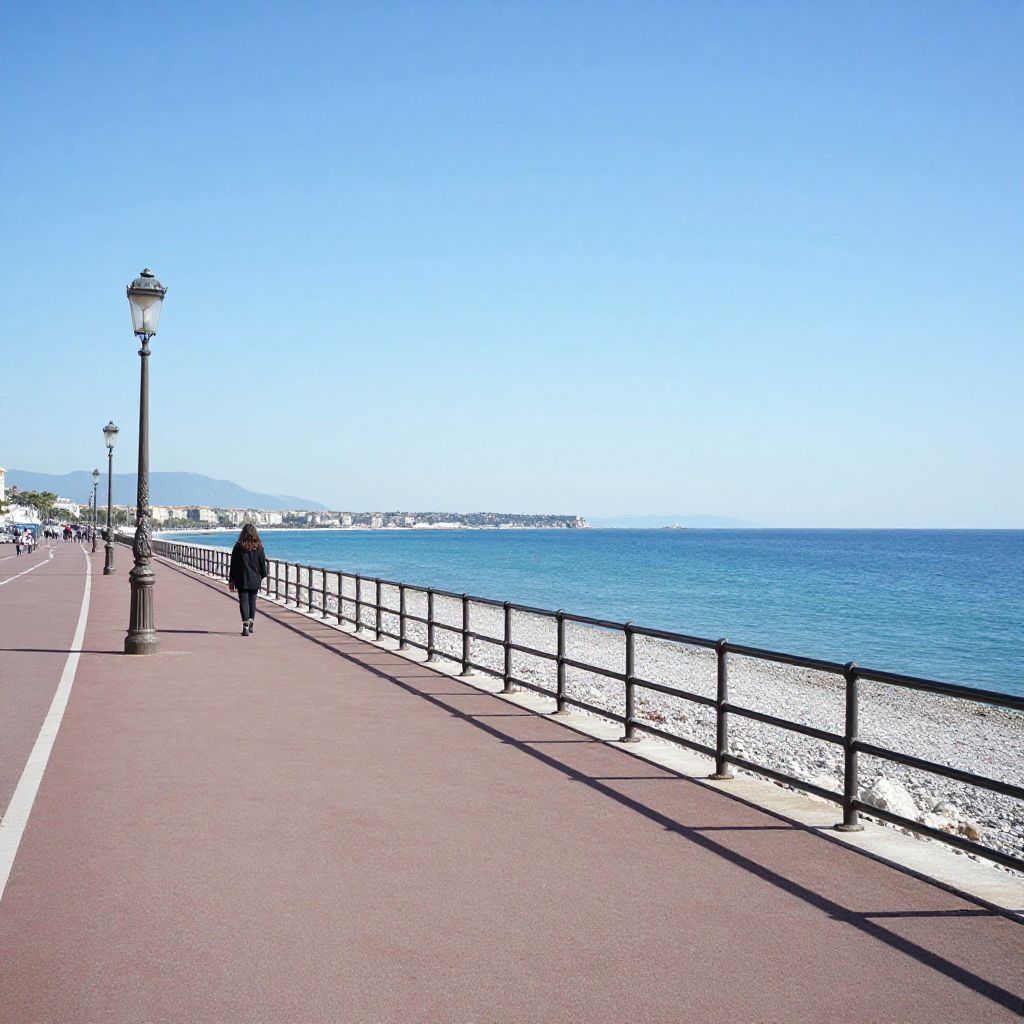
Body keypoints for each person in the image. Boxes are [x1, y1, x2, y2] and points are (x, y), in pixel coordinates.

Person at [228, 523, 268, 636]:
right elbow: (262, 565)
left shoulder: (238, 547)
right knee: (252, 602)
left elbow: (233, 565)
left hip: (242, 579)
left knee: (244, 602)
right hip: (255, 579)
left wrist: (231, 580)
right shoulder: (259, 547)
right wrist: (262, 576)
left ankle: (245, 626)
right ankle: (251, 624)